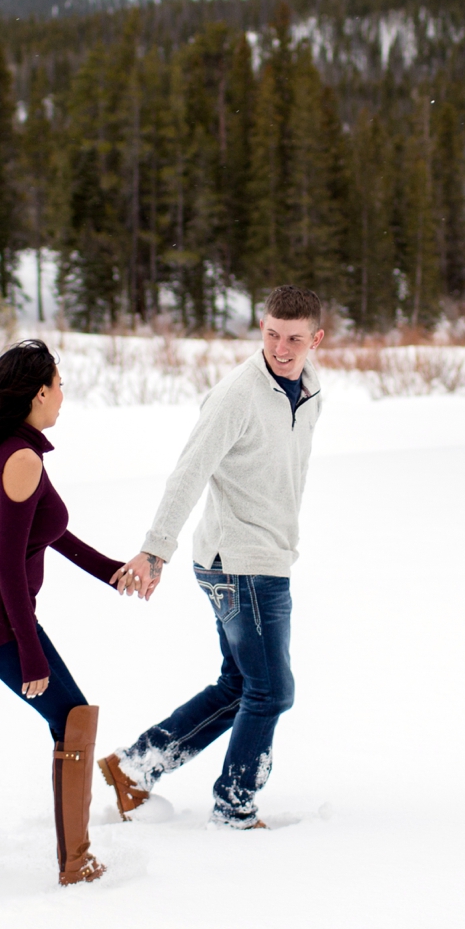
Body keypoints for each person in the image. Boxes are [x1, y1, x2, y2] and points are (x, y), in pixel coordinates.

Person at [0, 338, 145, 886]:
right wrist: (29, 650)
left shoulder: (14, 450)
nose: (64, 395)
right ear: (38, 393)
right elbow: (10, 569)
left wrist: (111, 570)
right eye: (60, 385)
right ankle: (77, 862)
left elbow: (51, 530)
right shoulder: (20, 458)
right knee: (73, 720)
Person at [98, 285, 327, 830]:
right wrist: (156, 550)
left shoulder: (311, 388)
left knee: (241, 686)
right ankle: (234, 805)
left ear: (316, 339)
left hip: (266, 556)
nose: (281, 348)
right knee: (271, 691)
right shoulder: (236, 396)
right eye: (271, 334)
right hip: (240, 562)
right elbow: (190, 471)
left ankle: (136, 766)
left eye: (294, 338)